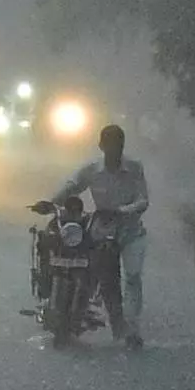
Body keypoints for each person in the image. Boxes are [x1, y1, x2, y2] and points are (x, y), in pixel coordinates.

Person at [54, 120, 151, 348]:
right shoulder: (92, 170)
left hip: (131, 233)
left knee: (133, 277)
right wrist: (51, 202)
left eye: (118, 146)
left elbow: (143, 200)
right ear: (101, 146)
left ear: (123, 147)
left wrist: (119, 211)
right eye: (109, 146)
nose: (114, 151)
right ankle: (109, 325)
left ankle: (132, 329)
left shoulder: (135, 168)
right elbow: (72, 186)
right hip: (103, 235)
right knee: (103, 280)